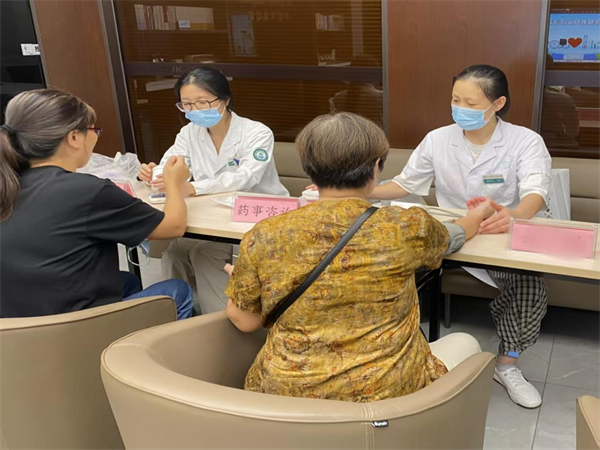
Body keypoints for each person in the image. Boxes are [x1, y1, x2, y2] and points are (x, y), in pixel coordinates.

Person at [224, 112, 495, 402]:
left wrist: (248, 283)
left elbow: (245, 321)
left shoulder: (264, 234)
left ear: (309, 167)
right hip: (384, 394)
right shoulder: (405, 226)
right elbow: (453, 236)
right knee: (465, 342)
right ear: (375, 168)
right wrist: (478, 214)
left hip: (285, 395)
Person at [369, 65, 552, 408]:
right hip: (452, 233)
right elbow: (406, 183)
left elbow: (535, 191)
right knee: (384, 266)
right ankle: (395, 355)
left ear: (498, 103)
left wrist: (514, 215)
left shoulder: (525, 141)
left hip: (498, 235)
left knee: (529, 287)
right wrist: (357, 190)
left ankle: (507, 364)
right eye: (455, 100)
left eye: (471, 103)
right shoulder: (438, 139)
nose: (460, 109)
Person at [0, 89, 193, 320]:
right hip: (68, 329)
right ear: (74, 137)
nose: (95, 137)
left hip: (16, 326)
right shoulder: (88, 191)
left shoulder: (8, 184)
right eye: (94, 130)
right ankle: (123, 342)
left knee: (127, 281)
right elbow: (173, 227)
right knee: (177, 291)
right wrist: (173, 183)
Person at [137, 67, 289, 315]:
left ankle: (217, 321)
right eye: (187, 104)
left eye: (202, 102)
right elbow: (171, 165)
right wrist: (155, 174)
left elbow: (245, 177)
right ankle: (179, 315)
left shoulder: (257, 133)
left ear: (225, 100)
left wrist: (191, 187)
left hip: (255, 216)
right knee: (174, 252)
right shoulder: (189, 133)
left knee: (205, 252)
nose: (195, 110)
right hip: (212, 215)